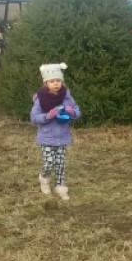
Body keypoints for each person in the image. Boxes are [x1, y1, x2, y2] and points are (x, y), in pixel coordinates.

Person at [30, 62, 80, 201]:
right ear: (46, 83)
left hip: (62, 136)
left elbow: (77, 111)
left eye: (58, 80)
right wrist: (47, 116)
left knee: (61, 163)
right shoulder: (40, 99)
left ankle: (60, 186)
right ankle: (44, 179)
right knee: (49, 162)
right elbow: (34, 118)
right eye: (52, 81)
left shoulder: (67, 97)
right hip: (46, 137)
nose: (56, 83)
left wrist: (72, 112)